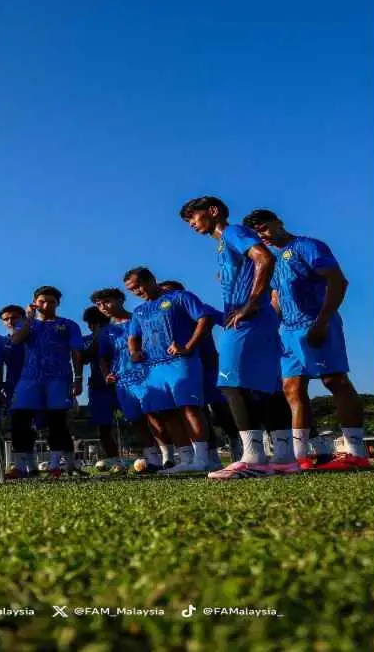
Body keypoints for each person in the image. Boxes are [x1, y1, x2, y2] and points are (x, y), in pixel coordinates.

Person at [180, 195, 300, 479]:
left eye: (193, 218)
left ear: (212, 211)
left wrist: (251, 303)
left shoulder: (233, 232)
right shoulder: (225, 244)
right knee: (265, 386)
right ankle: (284, 458)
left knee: (231, 383)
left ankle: (254, 458)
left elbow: (264, 257)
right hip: (259, 320)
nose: (192, 225)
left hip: (248, 319)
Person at [242, 209, 370, 470]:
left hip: (316, 323)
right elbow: (276, 298)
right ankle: (303, 455)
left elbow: (338, 281)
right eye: (257, 233)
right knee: (291, 388)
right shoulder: (271, 259)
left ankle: (356, 452)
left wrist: (322, 321)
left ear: (279, 222)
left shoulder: (307, 246)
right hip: (287, 331)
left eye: (265, 228)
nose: (263, 235)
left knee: (334, 380)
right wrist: (269, 331)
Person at [124, 267, 217, 473]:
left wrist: (189, 346)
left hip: (181, 361)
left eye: (138, 285)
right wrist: (134, 352)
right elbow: (133, 335)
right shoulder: (139, 310)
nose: (137, 291)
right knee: (166, 413)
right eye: (132, 290)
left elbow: (205, 318)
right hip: (154, 366)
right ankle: (185, 459)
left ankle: (202, 458)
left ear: (151, 279)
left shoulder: (180, 297)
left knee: (189, 407)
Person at [6, 286, 87, 478]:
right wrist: (28, 319)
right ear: (35, 302)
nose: (46, 305)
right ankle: (20, 466)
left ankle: (54, 465)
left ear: (58, 303)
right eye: (42, 301)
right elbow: (16, 340)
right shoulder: (26, 323)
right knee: (19, 419)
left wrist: (78, 378)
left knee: (56, 420)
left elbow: (77, 352)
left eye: (51, 301)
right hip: (29, 378)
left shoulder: (68, 325)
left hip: (58, 378)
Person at [158, 279, 235, 469]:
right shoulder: (161, 313)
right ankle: (209, 456)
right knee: (195, 410)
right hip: (182, 365)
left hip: (207, 363)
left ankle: (238, 444)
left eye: (169, 292)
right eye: (163, 293)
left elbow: (226, 320)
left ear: (181, 293)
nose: (167, 296)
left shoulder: (197, 306)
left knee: (220, 408)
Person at [90, 288, 165, 475]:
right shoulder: (106, 332)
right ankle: (153, 460)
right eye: (99, 305)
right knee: (136, 420)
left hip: (148, 376)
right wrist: (107, 373)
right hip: (124, 380)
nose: (103, 307)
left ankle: (169, 458)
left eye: (107, 302)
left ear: (120, 300)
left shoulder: (140, 318)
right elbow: (103, 357)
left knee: (155, 417)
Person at [81, 306, 123, 473]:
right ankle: (115, 461)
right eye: (92, 324)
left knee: (142, 420)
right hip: (99, 386)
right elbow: (83, 358)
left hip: (124, 383)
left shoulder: (120, 334)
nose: (93, 327)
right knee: (104, 426)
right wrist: (97, 338)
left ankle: (153, 457)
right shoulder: (86, 340)